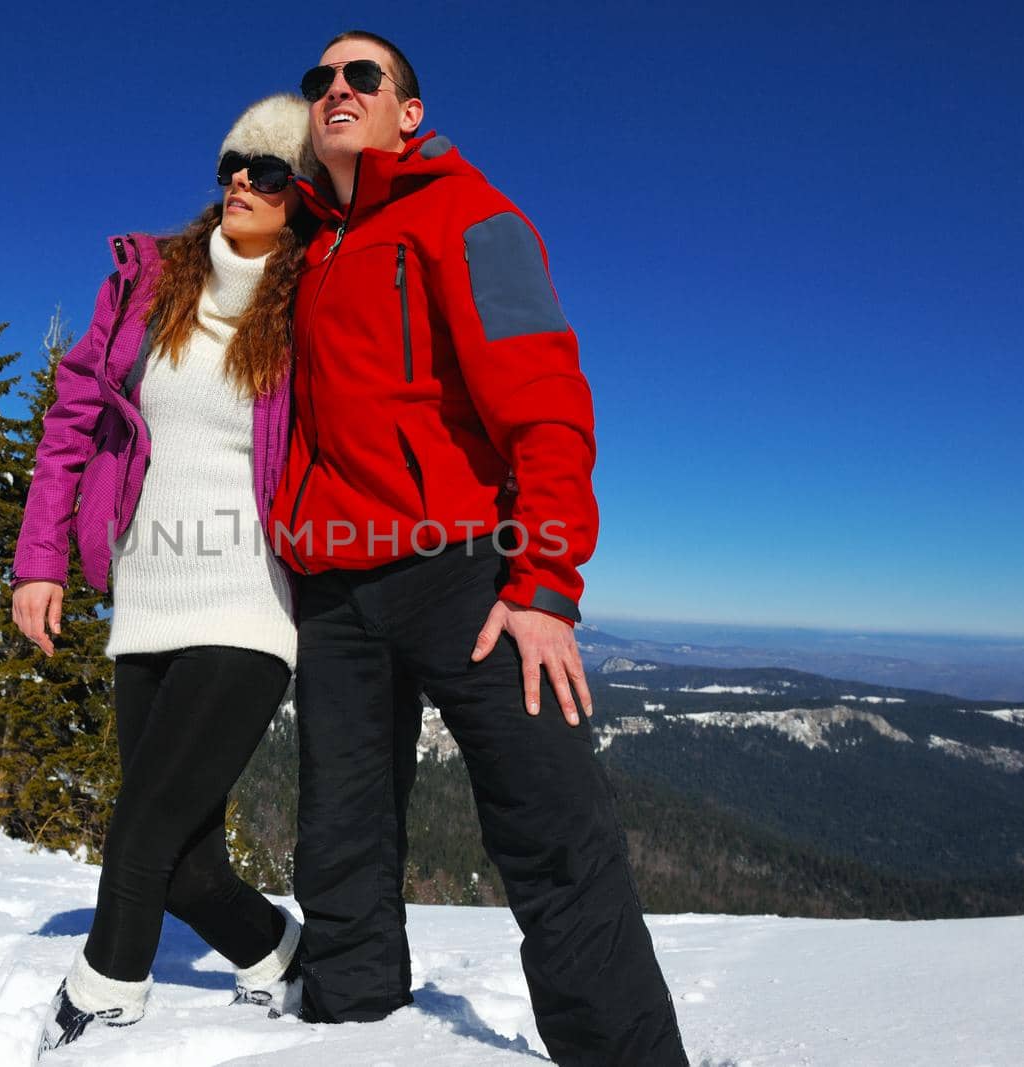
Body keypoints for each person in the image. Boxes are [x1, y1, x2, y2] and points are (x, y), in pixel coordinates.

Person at [269, 32, 691, 1066]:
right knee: (338, 834)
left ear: (407, 111)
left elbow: (546, 402)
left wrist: (545, 581)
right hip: (334, 586)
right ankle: (351, 1030)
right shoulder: (306, 248)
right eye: (317, 78)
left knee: (549, 827)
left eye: (361, 76)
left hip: (467, 571)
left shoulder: (473, 215)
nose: (335, 89)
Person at [10, 93, 319, 1051]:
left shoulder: (314, 302)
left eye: (268, 170)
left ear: (301, 196)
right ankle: (284, 958)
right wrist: (42, 557)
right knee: (186, 863)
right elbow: (73, 426)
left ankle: (105, 998)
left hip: (248, 605)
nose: (242, 180)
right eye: (235, 160)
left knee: (138, 831)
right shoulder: (150, 285)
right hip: (144, 601)